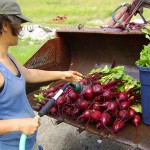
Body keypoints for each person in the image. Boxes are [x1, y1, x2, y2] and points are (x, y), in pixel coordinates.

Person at [0, 0, 83, 150]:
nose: (21, 28)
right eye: (18, 23)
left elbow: (28, 74)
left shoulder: (7, 57)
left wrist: (62, 74)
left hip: (27, 141)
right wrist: (19, 124)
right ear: (5, 25)